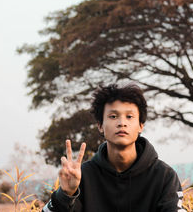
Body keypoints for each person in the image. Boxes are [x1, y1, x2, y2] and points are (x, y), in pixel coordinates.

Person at [42, 84, 185, 212]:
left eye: (129, 116)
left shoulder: (164, 176)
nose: (122, 123)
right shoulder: (82, 176)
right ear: (100, 126)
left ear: (141, 125)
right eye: (113, 116)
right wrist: (66, 194)